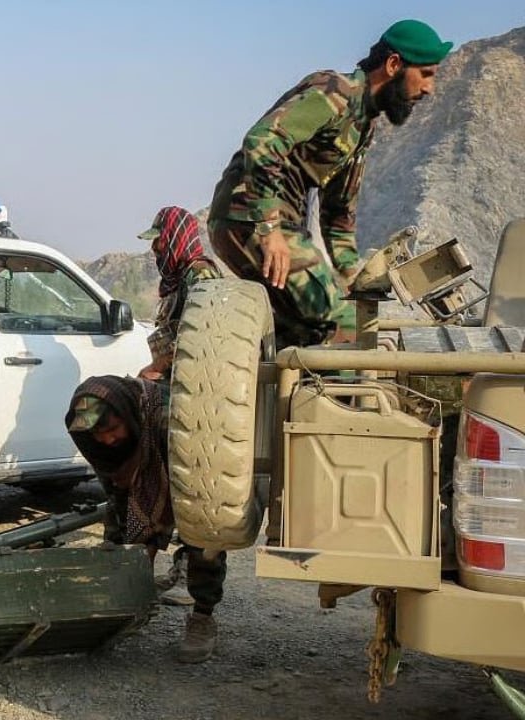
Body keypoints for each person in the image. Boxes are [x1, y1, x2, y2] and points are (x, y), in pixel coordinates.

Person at [208, 19, 452, 348]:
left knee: (315, 328)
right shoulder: (336, 93)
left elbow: (339, 215)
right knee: (343, 324)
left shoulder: (362, 126)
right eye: (425, 74)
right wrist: (269, 229)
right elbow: (263, 141)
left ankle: (235, 369)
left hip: (273, 225)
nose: (429, 88)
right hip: (248, 216)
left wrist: (352, 278)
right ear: (394, 64)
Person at [65, 375, 227, 663]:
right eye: (99, 434)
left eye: (112, 429)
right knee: (118, 540)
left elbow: (201, 479)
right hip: (142, 479)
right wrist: (135, 551)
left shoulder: (170, 418)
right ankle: (125, 607)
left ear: (126, 414)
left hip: (191, 476)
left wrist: (159, 527)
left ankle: (203, 617)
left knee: (203, 540)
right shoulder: (97, 440)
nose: (107, 440)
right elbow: (117, 492)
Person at [136, 206, 222, 381]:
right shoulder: (176, 280)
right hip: (176, 376)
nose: (153, 247)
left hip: (193, 381)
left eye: (158, 239)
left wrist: (158, 366)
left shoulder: (200, 274)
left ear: (175, 238)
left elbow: (205, 333)